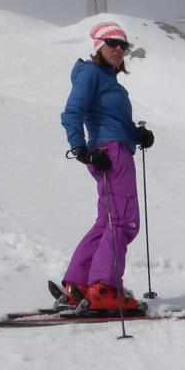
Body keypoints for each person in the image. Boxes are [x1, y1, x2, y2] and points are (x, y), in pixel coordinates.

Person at [58, 22, 155, 311]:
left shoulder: (109, 81)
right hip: (110, 154)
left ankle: (78, 285)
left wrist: (136, 134)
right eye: (112, 43)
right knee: (125, 221)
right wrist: (80, 149)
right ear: (98, 46)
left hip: (112, 148)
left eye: (124, 46)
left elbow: (111, 120)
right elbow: (72, 112)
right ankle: (104, 287)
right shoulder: (90, 74)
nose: (118, 50)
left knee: (108, 221)